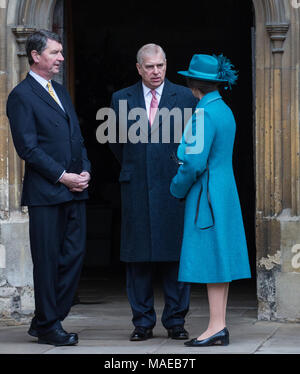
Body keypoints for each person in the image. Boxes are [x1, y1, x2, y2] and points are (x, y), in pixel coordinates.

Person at [6, 30, 91, 347]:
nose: (61, 58)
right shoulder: (21, 96)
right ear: (35, 56)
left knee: (74, 256)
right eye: (55, 52)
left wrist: (84, 170)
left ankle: (45, 318)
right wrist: (62, 176)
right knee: (47, 261)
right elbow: (27, 148)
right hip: (47, 194)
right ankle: (49, 325)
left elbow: (75, 137)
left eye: (60, 52)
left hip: (75, 190)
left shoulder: (60, 91)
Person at [109, 43, 197, 341]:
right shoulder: (121, 98)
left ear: (166, 65)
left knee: (175, 256)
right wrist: (139, 166)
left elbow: (192, 142)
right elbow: (116, 144)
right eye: (149, 66)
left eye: (160, 65)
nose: (156, 71)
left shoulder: (185, 97)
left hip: (174, 187)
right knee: (138, 258)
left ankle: (175, 321)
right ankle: (142, 323)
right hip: (136, 187)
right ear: (139, 68)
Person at [170, 53, 251, 347]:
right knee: (220, 258)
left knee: (211, 259)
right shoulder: (224, 110)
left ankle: (217, 326)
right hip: (224, 191)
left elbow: (193, 163)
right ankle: (219, 325)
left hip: (207, 195)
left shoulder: (203, 113)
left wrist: (176, 188)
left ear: (193, 84)